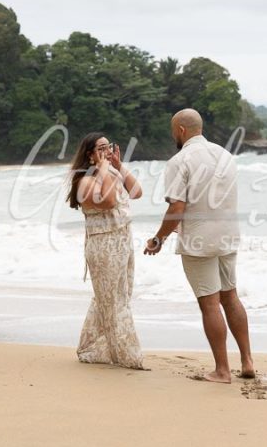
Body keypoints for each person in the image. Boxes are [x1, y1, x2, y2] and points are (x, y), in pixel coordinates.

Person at [144, 108, 254, 383]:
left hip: (199, 240)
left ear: (180, 130)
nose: (173, 136)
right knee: (230, 297)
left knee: (210, 304)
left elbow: (177, 208)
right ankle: (247, 361)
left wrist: (159, 238)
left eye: (173, 131)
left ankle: (222, 370)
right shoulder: (225, 155)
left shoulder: (179, 161)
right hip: (228, 235)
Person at [66, 132, 145, 370]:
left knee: (118, 297)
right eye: (100, 149)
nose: (106, 151)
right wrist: (102, 168)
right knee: (111, 299)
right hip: (104, 245)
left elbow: (137, 192)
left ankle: (94, 347)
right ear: (89, 155)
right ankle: (126, 354)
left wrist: (118, 166)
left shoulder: (110, 172)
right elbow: (109, 200)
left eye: (108, 146)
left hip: (122, 240)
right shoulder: (85, 181)